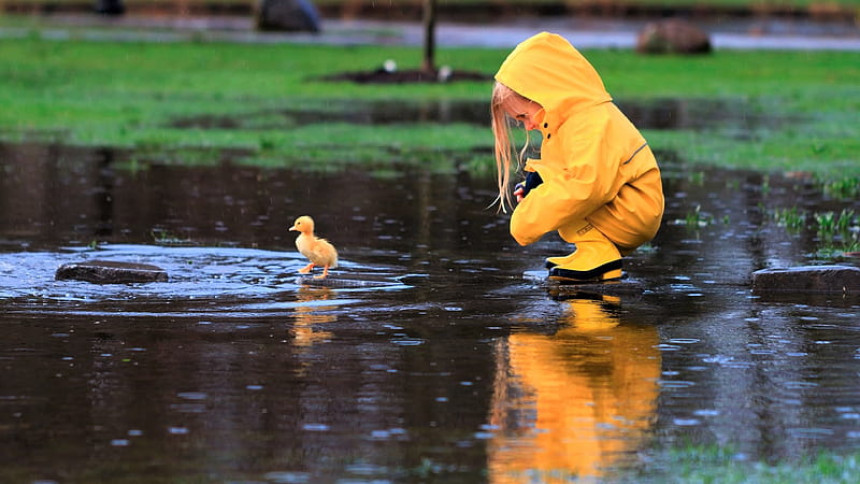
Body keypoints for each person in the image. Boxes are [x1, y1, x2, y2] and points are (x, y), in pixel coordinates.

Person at [490, 32, 664, 282]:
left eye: (524, 117)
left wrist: (528, 218)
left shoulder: (589, 122)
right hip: (624, 208)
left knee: (566, 199)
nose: (527, 127)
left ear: (543, 94)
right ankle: (592, 251)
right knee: (559, 196)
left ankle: (600, 255)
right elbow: (565, 171)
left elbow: (587, 187)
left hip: (633, 213)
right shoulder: (568, 122)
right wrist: (536, 185)